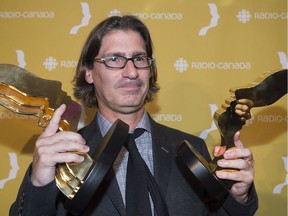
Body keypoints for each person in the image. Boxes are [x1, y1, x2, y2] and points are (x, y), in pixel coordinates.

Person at [10, 15, 258, 216]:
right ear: (88, 72)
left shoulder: (193, 149)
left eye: (139, 59)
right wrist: (40, 182)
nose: (131, 72)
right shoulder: (62, 155)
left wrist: (239, 195)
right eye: (114, 59)